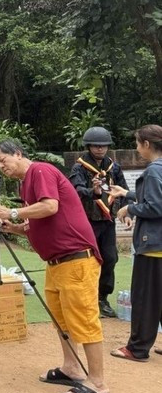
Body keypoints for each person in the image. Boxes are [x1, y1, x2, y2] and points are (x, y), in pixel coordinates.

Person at [0, 139, 108, 393]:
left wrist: (14, 211)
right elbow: (40, 222)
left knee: (84, 319)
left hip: (76, 259)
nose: (1, 167)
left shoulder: (40, 171)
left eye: (2, 160)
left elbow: (50, 206)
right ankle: (71, 367)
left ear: (18, 153)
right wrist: (14, 227)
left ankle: (98, 383)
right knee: (61, 319)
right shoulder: (26, 183)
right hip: (57, 262)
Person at [108, 125, 162, 361]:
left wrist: (129, 208)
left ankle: (137, 348)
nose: (137, 148)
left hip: (153, 247)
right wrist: (127, 193)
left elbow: (155, 206)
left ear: (147, 144)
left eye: (138, 144)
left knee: (144, 299)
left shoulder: (153, 171)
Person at [69, 126, 130, 318]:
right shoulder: (79, 167)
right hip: (87, 221)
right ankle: (85, 299)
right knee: (87, 260)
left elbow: (124, 190)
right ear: (88, 146)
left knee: (110, 258)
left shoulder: (114, 167)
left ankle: (102, 298)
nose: (100, 149)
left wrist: (127, 212)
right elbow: (75, 191)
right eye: (96, 146)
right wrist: (92, 192)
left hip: (108, 221)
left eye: (103, 146)